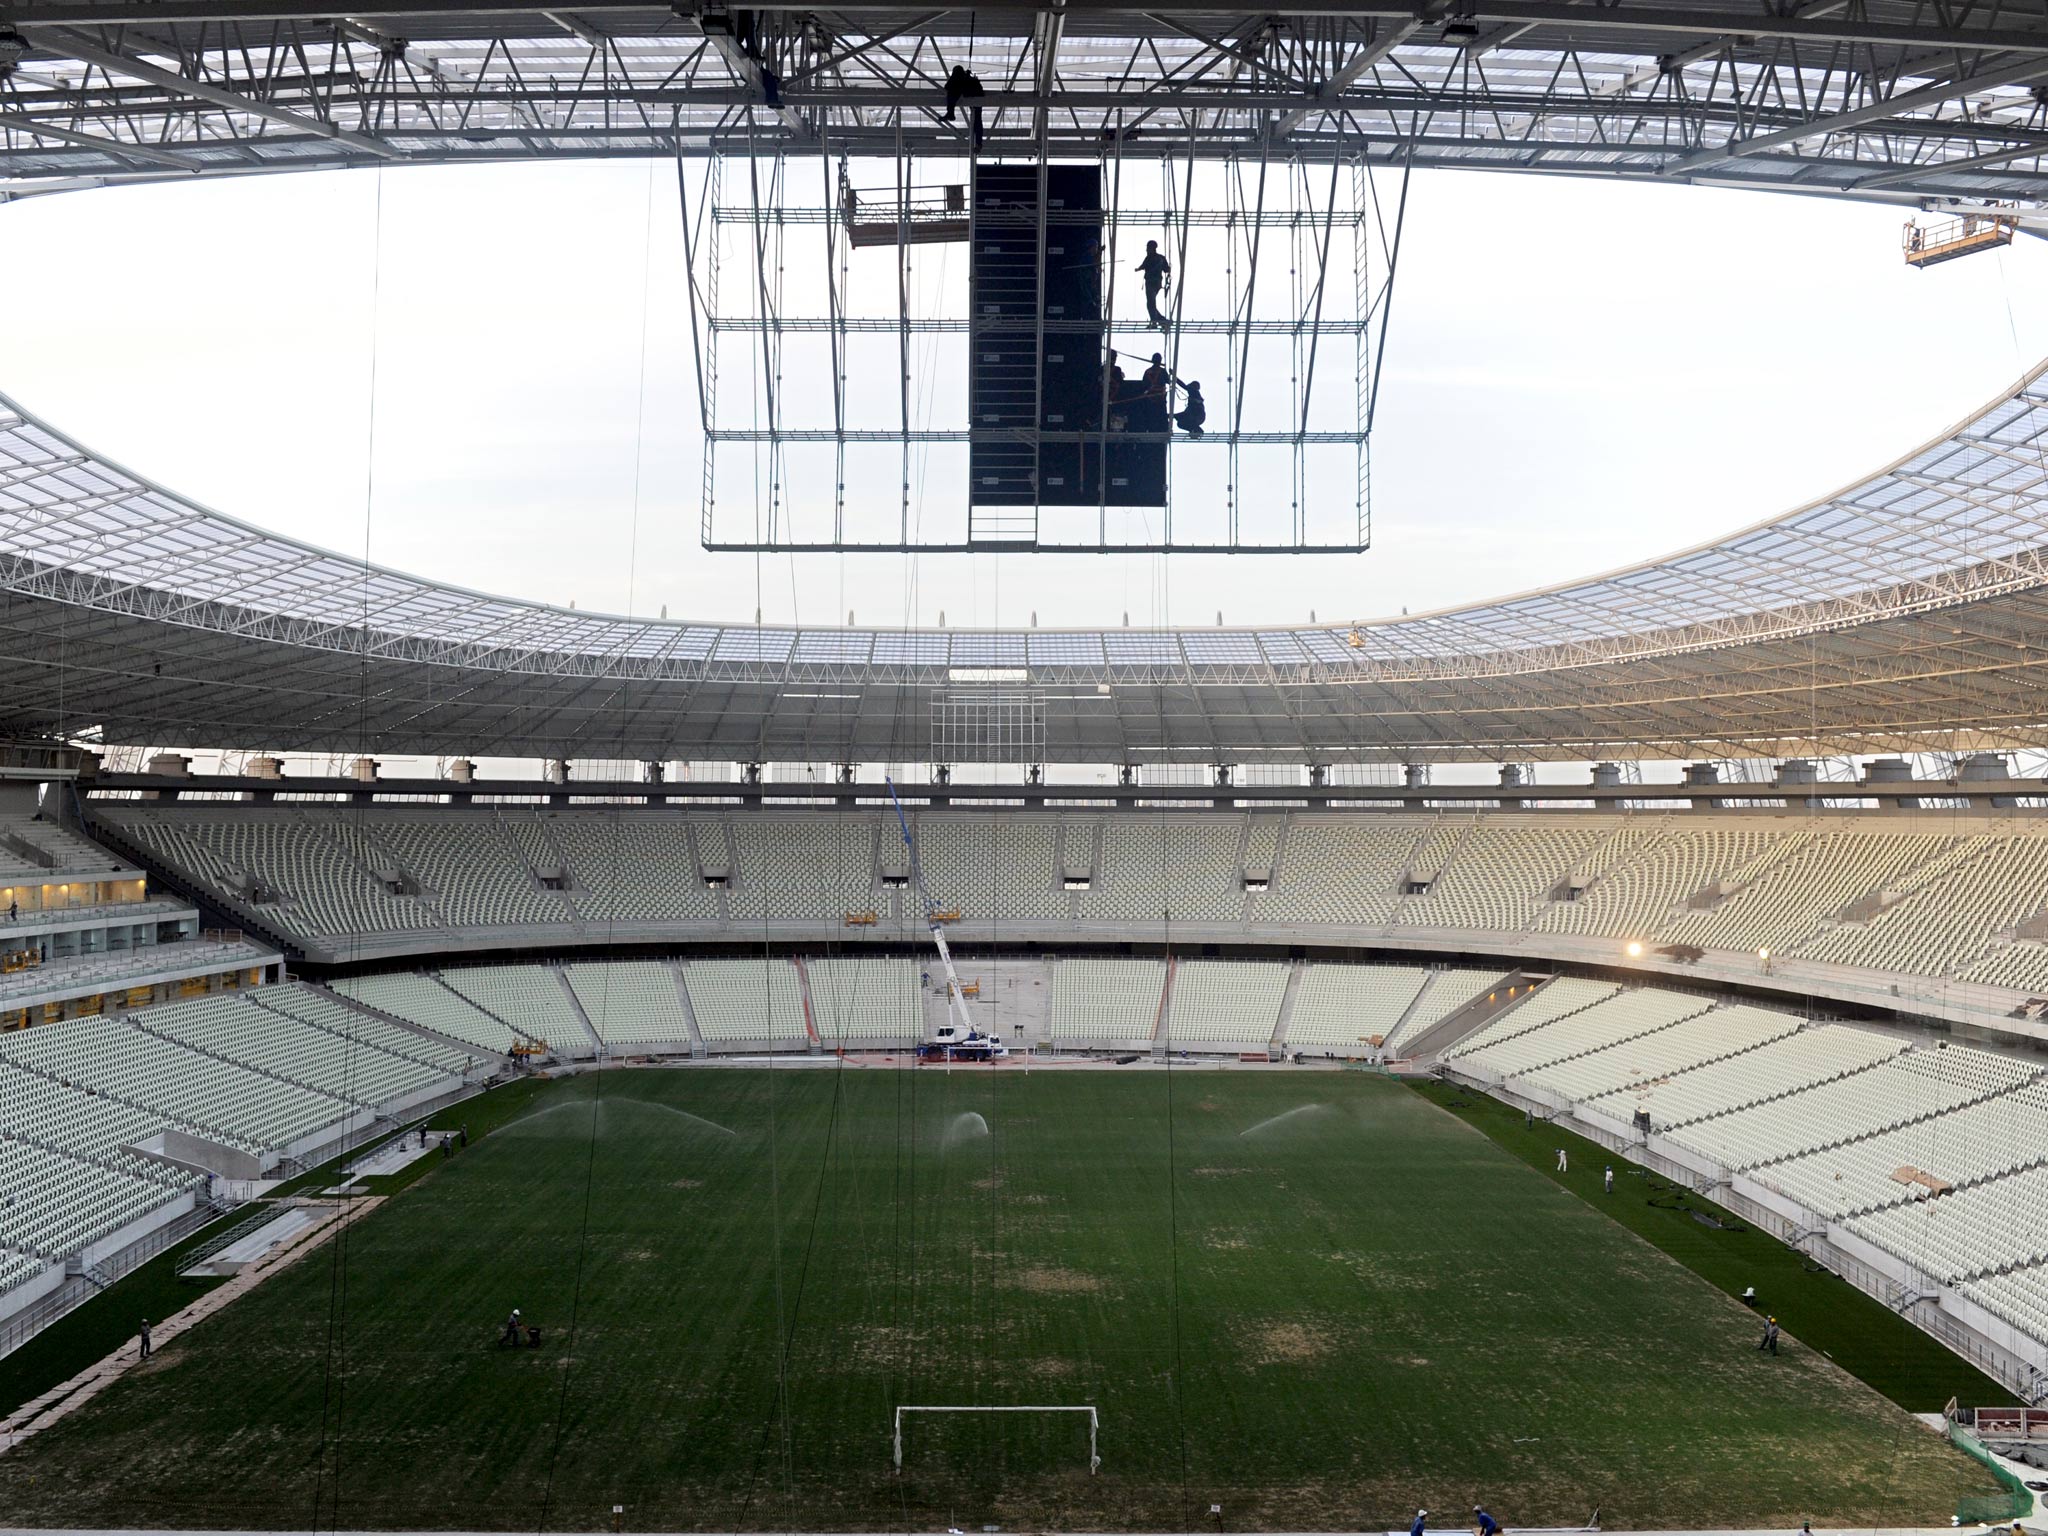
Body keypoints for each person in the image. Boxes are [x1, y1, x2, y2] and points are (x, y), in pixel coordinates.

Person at [943, 65, 985, 149]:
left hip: (976, 97)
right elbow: (948, 87)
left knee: (977, 121)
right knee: (977, 121)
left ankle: (950, 113)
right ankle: (978, 143)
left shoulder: (964, 79)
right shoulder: (963, 78)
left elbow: (947, 87)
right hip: (975, 97)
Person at [1136, 239, 1171, 327]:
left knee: (1150, 303)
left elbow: (1143, 266)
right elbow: (1166, 269)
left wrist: (1138, 269)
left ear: (1152, 248)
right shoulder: (1160, 258)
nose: (1147, 250)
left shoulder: (1151, 258)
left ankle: (1157, 321)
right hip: (1156, 283)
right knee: (1150, 303)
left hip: (1151, 283)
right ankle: (1160, 321)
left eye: (1148, 248)